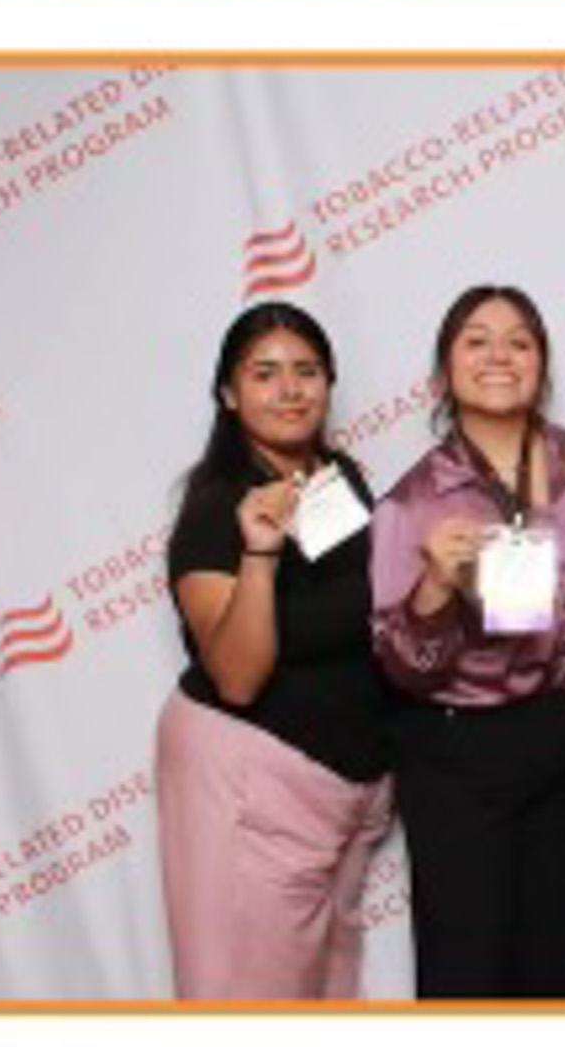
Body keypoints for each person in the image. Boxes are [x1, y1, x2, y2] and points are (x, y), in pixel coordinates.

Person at [369, 286, 565, 996]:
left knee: (550, 967)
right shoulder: (413, 500)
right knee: (466, 973)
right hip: (462, 755)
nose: (499, 355)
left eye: (520, 340)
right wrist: (434, 593)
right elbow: (400, 667)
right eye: (476, 340)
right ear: (444, 373)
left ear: (542, 362)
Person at [155, 303, 392, 999]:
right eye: (265, 374)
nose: (290, 390)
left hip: (337, 798)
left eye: (306, 371)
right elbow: (236, 675)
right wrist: (260, 552)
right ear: (229, 394)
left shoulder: (337, 478)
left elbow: (364, 608)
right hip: (252, 784)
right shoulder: (215, 507)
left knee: (320, 992)